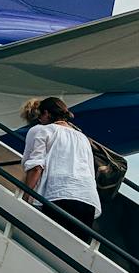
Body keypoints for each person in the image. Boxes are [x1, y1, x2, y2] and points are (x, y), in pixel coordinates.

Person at [20, 96, 100, 233]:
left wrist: (26, 195)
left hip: (59, 194)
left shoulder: (45, 131)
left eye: (41, 115)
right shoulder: (83, 138)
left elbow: (36, 167)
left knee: (52, 241)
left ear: (46, 113)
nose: (40, 119)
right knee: (76, 248)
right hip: (88, 199)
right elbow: (90, 171)